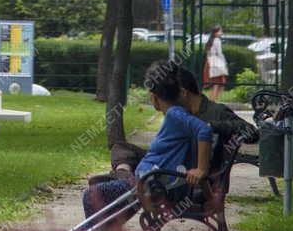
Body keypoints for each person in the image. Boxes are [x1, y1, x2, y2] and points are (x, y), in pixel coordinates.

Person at [82, 61, 213, 224]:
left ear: (154, 96)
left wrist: (201, 169)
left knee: (91, 194)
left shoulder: (175, 114)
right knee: (108, 192)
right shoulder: (177, 114)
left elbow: (204, 130)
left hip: (152, 186)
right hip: (150, 182)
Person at [97, 64, 256, 181]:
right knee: (121, 148)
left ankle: (125, 181)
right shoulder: (179, 113)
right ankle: (123, 177)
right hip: (173, 163)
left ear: (183, 92)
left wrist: (213, 126)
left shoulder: (216, 112)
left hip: (186, 173)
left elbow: (252, 132)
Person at [204, 26, 229, 101]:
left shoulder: (210, 41)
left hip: (210, 62)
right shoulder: (217, 40)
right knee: (218, 83)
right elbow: (219, 53)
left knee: (215, 84)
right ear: (215, 33)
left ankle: (211, 100)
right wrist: (224, 62)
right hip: (217, 63)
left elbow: (208, 53)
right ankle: (213, 101)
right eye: (220, 31)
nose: (221, 33)